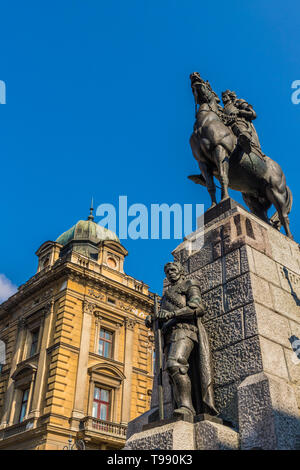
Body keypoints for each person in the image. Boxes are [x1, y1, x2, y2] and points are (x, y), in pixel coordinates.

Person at [146, 261, 217, 419]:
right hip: (170, 334)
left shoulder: (190, 284)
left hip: (186, 330)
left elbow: (197, 308)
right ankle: (181, 406)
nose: (170, 273)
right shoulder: (165, 296)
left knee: (175, 364)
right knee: (173, 373)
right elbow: (163, 315)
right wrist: (153, 318)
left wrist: (172, 315)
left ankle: (187, 408)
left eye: (173, 269)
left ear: (181, 270)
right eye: (167, 271)